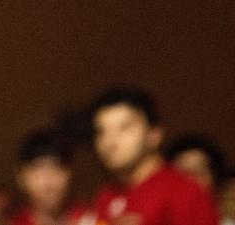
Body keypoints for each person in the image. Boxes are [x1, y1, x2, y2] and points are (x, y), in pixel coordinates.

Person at [89, 86, 218, 225]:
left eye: (124, 128)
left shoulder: (184, 193)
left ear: (154, 134)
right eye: (101, 131)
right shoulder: (106, 196)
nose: (110, 142)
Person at [9, 130, 90, 225]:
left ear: (69, 172)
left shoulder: (93, 218)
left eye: (55, 169)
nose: (48, 184)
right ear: (20, 178)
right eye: (37, 174)